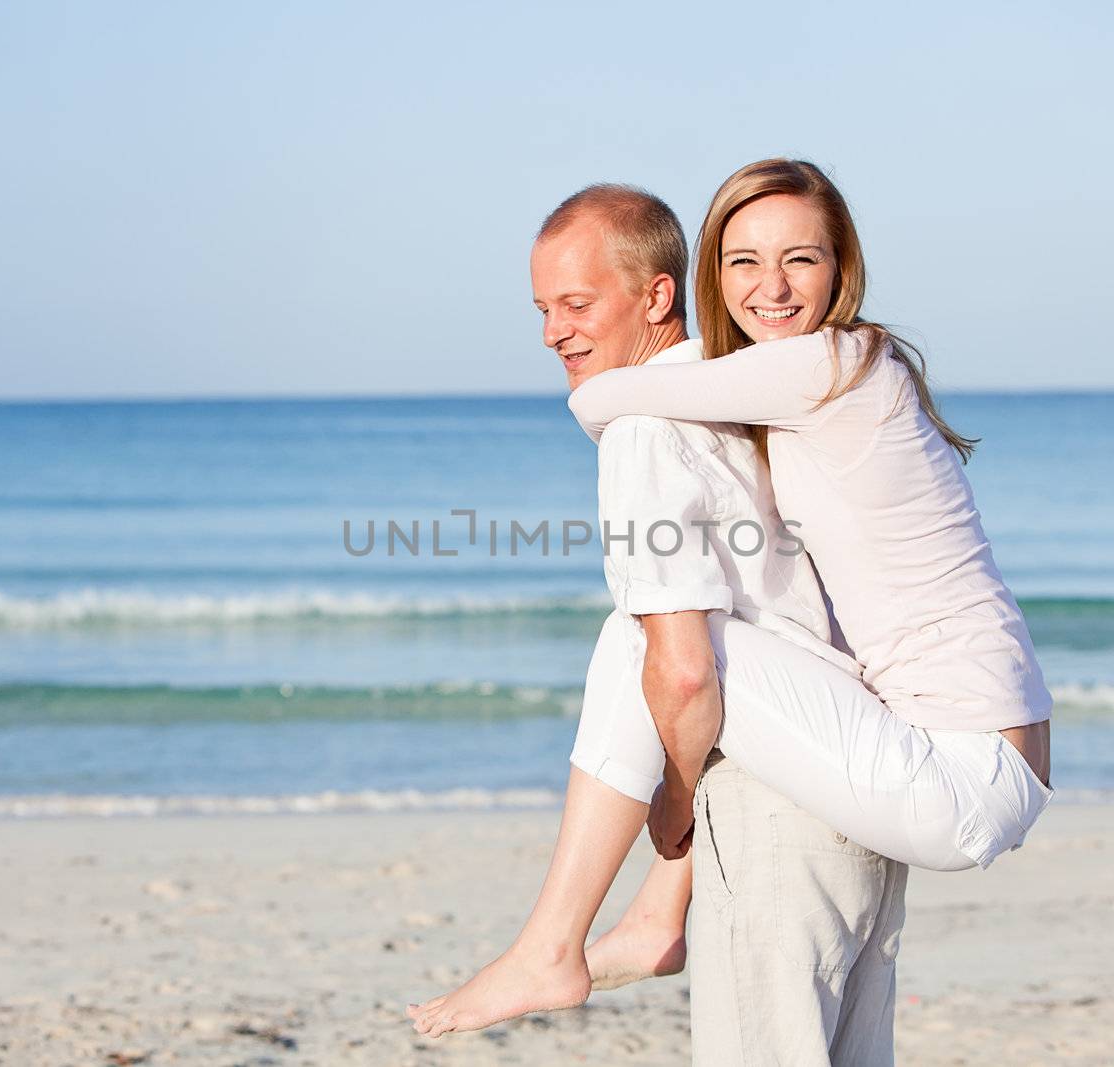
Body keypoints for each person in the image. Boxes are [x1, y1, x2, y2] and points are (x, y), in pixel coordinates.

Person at [414, 157, 1054, 1043]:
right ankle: (643, 921)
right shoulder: (781, 394)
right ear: (713, 274)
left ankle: (556, 939)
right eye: (744, 262)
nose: (772, 286)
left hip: (941, 775)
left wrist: (672, 807)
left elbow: (613, 411)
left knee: (640, 641)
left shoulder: (817, 368)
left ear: (842, 268)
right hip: (916, 758)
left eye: (801, 259)